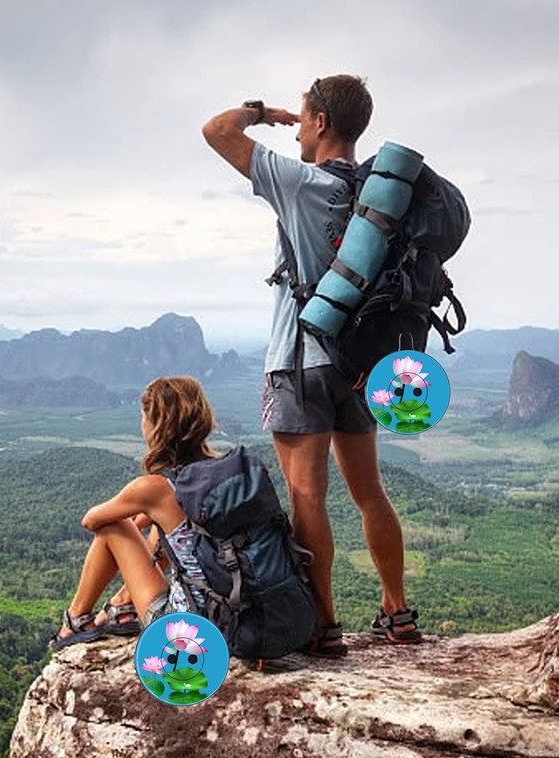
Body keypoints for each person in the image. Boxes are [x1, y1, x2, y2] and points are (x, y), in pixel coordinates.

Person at [201, 75, 421, 656]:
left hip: (301, 361)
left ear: (321, 123)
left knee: (307, 498)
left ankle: (323, 625)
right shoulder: (379, 196)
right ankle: (397, 612)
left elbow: (216, 130)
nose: (296, 131)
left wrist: (261, 112)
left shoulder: (301, 183)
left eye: (302, 120)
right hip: (362, 362)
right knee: (370, 493)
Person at [48, 376, 217, 651]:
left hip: (186, 631)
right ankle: (122, 604)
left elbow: (91, 520)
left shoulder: (155, 488)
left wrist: (136, 513)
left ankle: (75, 620)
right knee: (166, 530)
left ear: (156, 425)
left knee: (113, 526)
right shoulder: (219, 472)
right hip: (233, 616)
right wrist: (149, 516)